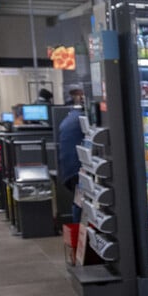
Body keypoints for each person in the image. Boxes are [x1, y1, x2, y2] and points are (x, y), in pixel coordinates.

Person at [57, 87, 85, 222]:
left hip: (69, 168)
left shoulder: (70, 117)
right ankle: (79, 228)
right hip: (77, 169)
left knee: (79, 200)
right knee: (80, 200)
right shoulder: (82, 118)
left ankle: (78, 228)